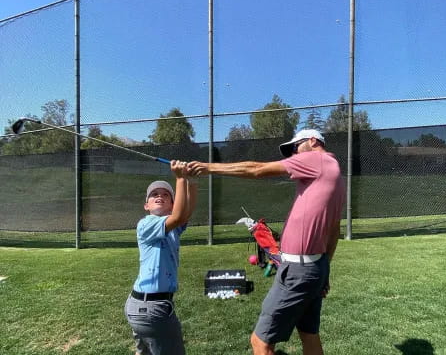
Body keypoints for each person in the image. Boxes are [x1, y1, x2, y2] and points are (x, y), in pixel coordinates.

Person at [188, 129, 345, 355]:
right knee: (309, 336)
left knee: (260, 342)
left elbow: (257, 169)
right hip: (315, 267)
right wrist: (325, 269)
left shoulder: (317, 158)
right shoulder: (335, 173)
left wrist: (208, 167)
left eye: (295, 147)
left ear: (312, 141)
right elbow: (334, 229)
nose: (292, 154)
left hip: (298, 270)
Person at [124, 160, 197, 355]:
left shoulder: (172, 229)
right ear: (146, 205)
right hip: (151, 308)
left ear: (173, 204)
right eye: (154, 195)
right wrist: (180, 178)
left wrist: (192, 180)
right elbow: (179, 216)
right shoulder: (146, 224)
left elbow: (186, 212)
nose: (160, 196)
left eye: (166, 195)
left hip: (148, 307)